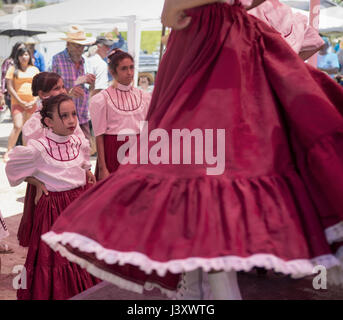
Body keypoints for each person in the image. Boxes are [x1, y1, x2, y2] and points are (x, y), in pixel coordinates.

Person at [42, 0, 343, 300]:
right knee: (220, 159)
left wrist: (175, 9)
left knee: (194, 162)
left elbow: (172, 11)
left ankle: (205, 285)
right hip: (231, 34)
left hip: (204, 37)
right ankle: (205, 283)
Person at [5, 94, 99, 300]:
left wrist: (87, 172)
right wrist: (37, 182)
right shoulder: (38, 148)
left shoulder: (78, 140)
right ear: (48, 122)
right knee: (55, 260)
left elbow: (83, 161)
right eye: (64, 116)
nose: (72, 120)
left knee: (80, 256)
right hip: (54, 210)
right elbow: (12, 169)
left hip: (78, 205)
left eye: (73, 114)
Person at [17, 72, 85, 248]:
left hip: (70, 183)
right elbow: (28, 162)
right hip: (46, 186)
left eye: (63, 86)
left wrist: (86, 169)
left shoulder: (67, 115)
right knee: (48, 236)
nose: (63, 90)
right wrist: (38, 183)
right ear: (42, 93)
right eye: (57, 88)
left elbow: (79, 146)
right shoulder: (34, 124)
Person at [90, 49, 151, 180]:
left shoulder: (145, 97)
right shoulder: (102, 99)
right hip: (114, 151)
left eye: (131, 67)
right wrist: (102, 168)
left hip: (138, 151)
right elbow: (99, 136)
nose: (129, 73)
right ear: (113, 72)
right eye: (124, 68)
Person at [51, 25, 96, 145]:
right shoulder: (57, 60)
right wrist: (68, 93)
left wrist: (91, 83)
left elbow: (90, 90)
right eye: (77, 45)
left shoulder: (85, 61)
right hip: (63, 118)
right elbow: (49, 90)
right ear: (68, 45)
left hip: (82, 115)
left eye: (82, 46)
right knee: (65, 154)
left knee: (85, 151)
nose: (81, 49)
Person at [4, 47, 40, 162]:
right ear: (17, 57)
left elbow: (39, 87)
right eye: (21, 55)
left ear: (29, 56)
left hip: (31, 103)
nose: (24, 57)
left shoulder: (34, 69)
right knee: (18, 126)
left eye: (26, 55)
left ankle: (26, 152)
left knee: (28, 129)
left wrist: (34, 101)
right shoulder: (12, 69)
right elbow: (9, 87)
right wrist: (20, 101)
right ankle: (8, 151)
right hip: (17, 103)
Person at [1, 42, 26, 112]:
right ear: (15, 50)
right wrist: (3, 93)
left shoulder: (25, 62)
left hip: (24, 94)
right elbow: (3, 78)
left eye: (23, 49)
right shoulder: (8, 62)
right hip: (11, 95)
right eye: (19, 49)